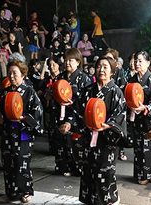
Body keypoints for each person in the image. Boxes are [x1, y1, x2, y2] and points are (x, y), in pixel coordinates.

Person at [78, 56, 126, 205]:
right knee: (88, 170)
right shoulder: (87, 90)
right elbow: (79, 111)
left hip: (107, 139)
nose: (102, 70)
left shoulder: (116, 91)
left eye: (105, 67)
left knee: (105, 171)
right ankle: (91, 200)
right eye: (99, 66)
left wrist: (110, 125)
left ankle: (109, 200)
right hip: (89, 137)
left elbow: (120, 113)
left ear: (112, 71)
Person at [0, 60, 43, 203]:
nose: (11, 76)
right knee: (8, 162)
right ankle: (11, 191)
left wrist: (24, 119)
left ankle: (25, 191)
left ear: (23, 74)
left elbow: (38, 111)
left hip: (23, 132)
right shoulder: (5, 92)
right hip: (8, 132)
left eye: (15, 73)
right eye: (10, 73)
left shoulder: (29, 91)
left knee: (21, 162)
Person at [129, 50, 151, 185]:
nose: (137, 63)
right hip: (137, 117)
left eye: (140, 61)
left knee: (149, 147)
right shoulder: (132, 79)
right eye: (136, 60)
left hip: (150, 118)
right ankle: (140, 174)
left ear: (148, 63)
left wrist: (147, 108)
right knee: (138, 147)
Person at [56, 48, 92, 176]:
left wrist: (74, 106)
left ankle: (77, 168)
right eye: (66, 60)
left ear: (78, 62)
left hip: (78, 117)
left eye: (71, 60)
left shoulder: (84, 79)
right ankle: (63, 167)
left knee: (76, 143)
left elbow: (86, 101)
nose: (67, 63)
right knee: (61, 142)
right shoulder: (60, 77)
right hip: (61, 113)